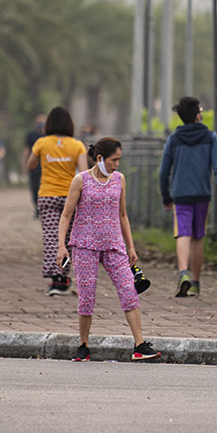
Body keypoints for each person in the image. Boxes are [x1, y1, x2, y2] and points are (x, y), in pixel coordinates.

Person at [57, 137, 160, 362]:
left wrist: (131, 247)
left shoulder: (119, 180)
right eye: (114, 160)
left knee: (129, 291)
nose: (117, 164)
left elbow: (123, 215)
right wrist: (61, 246)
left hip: (114, 245)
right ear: (100, 158)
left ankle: (139, 345)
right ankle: (83, 346)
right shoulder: (80, 180)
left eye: (119, 160)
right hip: (84, 245)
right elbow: (66, 215)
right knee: (86, 297)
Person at [158, 96, 217, 298]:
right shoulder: (210, 137)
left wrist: (166, 196)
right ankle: (196, 283)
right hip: (202, 194)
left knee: (183, 233)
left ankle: (183, 273)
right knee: (198, 237)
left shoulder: (174, 139)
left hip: (180, 194)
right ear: (198, 115)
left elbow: (164, 171)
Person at [27, 107, 87, 296]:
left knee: (52, 238)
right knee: (68, 240)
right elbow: (84, 173)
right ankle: (63, 278)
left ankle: (56, 280)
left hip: (47, 196)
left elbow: (31, 164)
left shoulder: (42, 143)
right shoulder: (77, 145)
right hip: (70, 198)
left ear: (48, 124)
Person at [22, 115, 46, 216]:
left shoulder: (49, 135)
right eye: (38, 121)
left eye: (42, 121)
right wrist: (24, 165)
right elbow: (27, 150)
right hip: (34, 165)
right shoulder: (31, 135)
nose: (40, 123)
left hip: (47, 166)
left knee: (45, 187)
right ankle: (37, 207)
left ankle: (44, 208)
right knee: (34, 187)